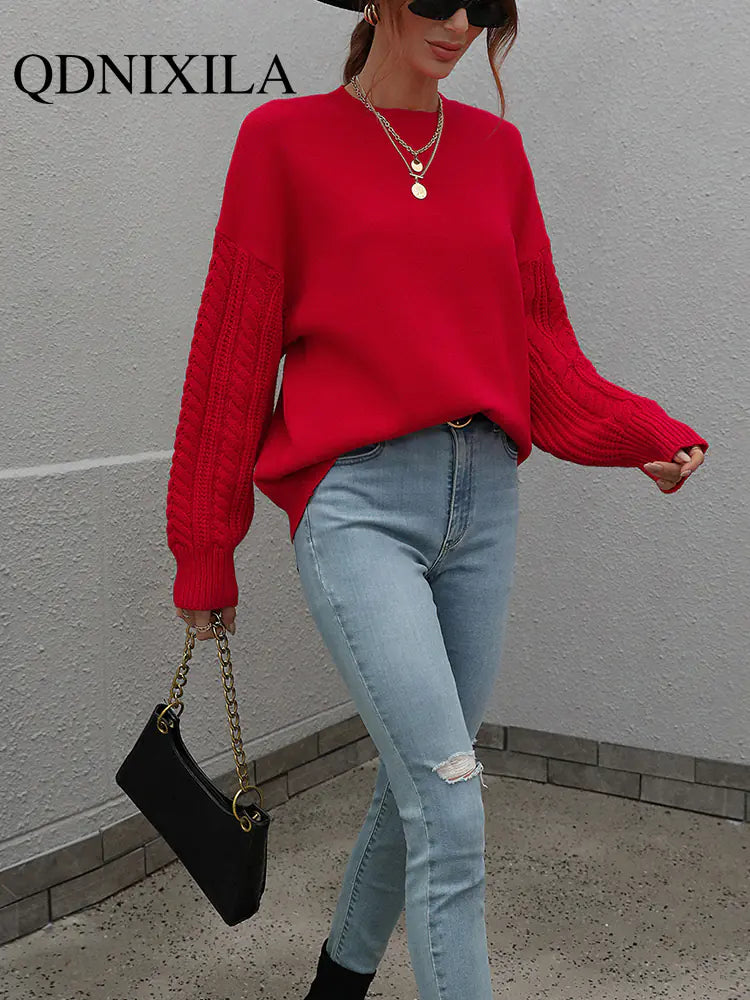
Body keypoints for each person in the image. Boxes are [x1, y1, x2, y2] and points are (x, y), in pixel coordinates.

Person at [165, 2, 709, 997]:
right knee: (451, 805)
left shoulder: (497, 153)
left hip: (484, 502)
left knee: (418, 781)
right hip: (357, 506)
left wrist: (640, 430)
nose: (461, 22)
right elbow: (234, 354)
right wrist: (205, 545)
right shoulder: (282, 141)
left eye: (485, 5)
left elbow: (542, 345)